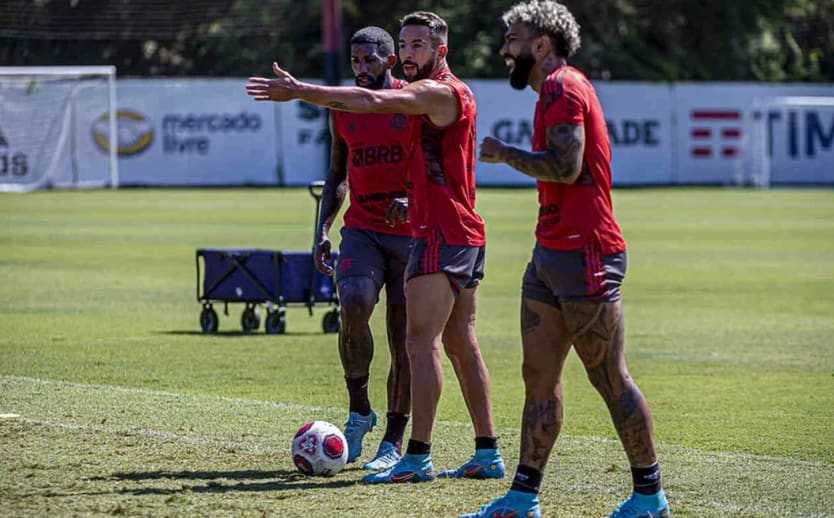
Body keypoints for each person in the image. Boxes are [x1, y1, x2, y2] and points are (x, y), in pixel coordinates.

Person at [247, 11, 505, 484]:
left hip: (440, 234)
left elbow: (367, 99)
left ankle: (416, 456)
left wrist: (301, 89)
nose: (408, 54)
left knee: (417, 342)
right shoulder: (440, 93)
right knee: (459, 344)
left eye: (418, 46)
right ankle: (487, 453)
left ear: (440, 52)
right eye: (404, 45)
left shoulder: (438, 91)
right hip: (463, 231)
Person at [460, 1, 670, 517]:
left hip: (587, 252)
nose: (504, 49)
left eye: (514, 38)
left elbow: (567, 166)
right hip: (552, 251)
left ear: (541, 44)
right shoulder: (550, 90)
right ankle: (522, 498)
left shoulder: (561, 86)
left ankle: (651, 497)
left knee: (608, 378)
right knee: (538, 377)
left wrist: (502, 153)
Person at [313, 26, 412, 471]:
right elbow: (337, 172)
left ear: (390, 61)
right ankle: (359, 413)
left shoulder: (414, 102)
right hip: (363, 229)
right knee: (353, 302)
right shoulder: (343, 108)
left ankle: (393, 436)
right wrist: (323, 228)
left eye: (371, 61)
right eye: (356, 62)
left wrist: (413, 199)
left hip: (412, 232)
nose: (362, 69)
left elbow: (439, 163)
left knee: (404, 335)